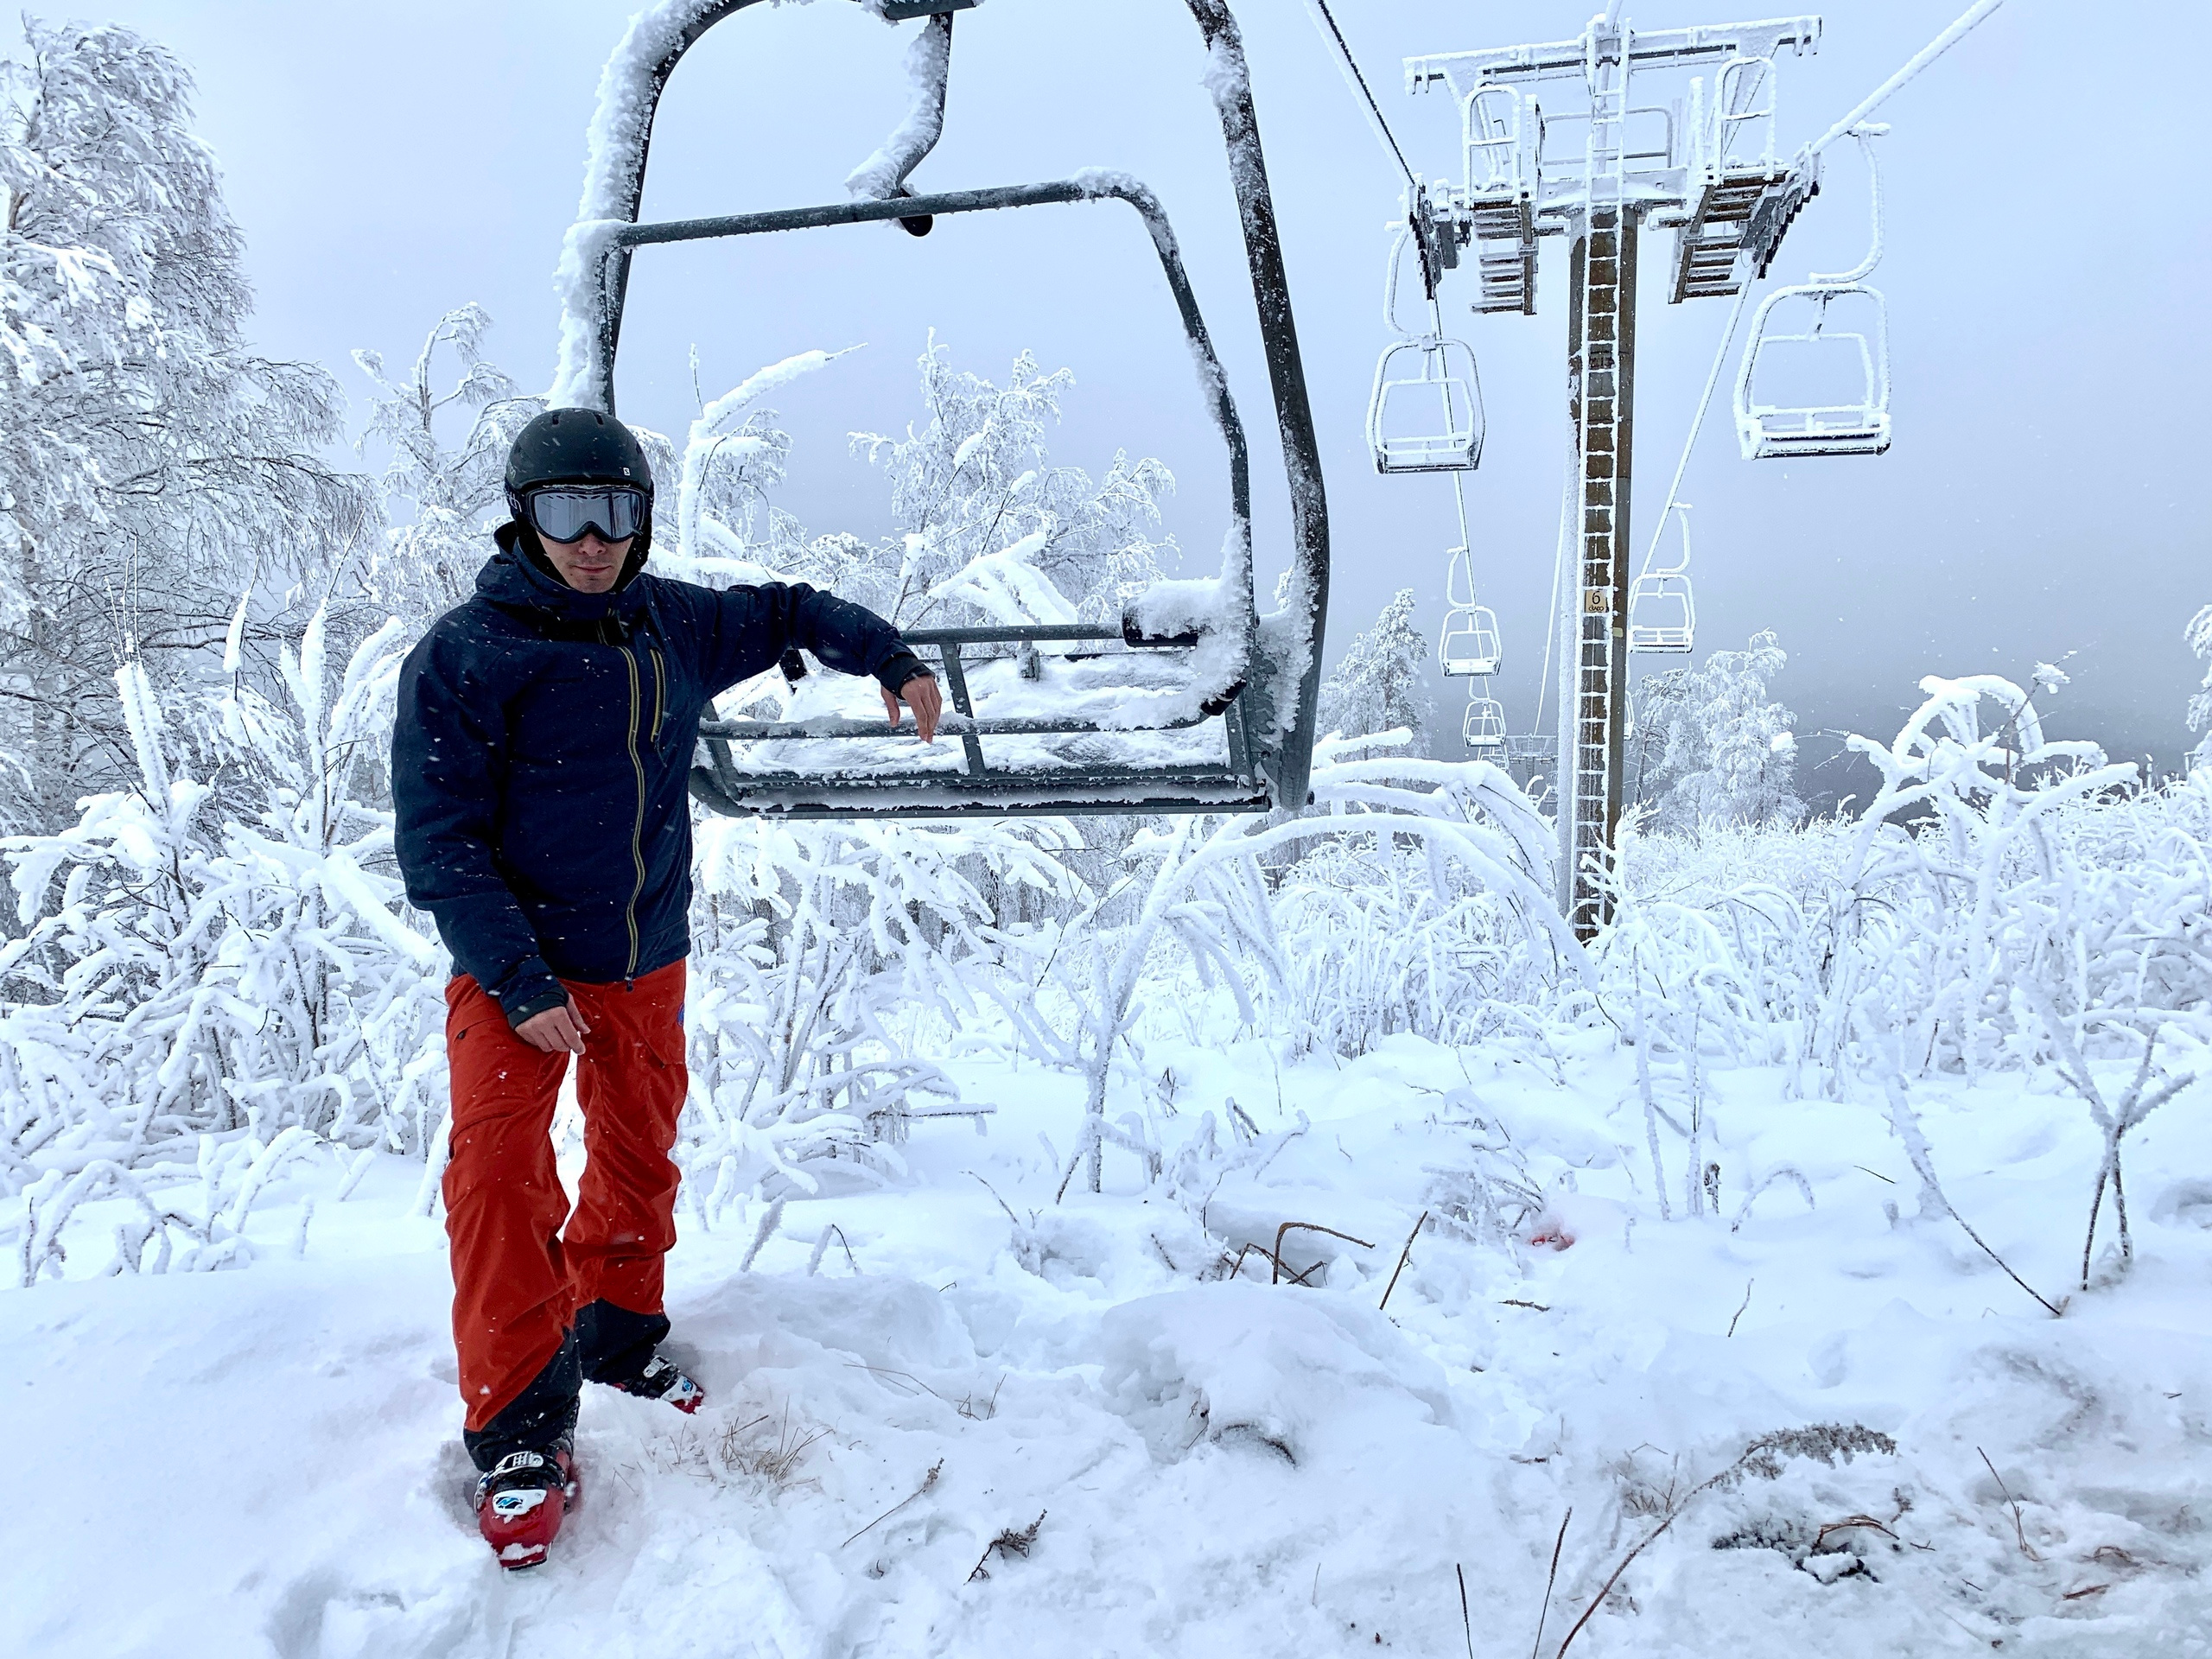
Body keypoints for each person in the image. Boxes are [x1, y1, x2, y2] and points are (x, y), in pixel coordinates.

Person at [392, 408, 942, 1569]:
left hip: (643, 952)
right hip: (514, 972)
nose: (592, 541)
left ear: (642, 522)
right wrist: (517, 974)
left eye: (617, 514)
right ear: (522, 517)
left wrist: (886, 654)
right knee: (497, 1177)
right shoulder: (465, 656)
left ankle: (616, 1332)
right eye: (565, 514)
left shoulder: (670, 625)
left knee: (638, 1147)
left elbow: (789, 611)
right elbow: (438, 839)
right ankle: (520, 1432)